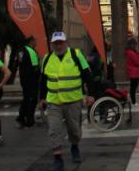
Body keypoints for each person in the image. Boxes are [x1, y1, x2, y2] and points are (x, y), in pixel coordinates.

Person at [39, 31, 95, 171]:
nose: (58, 46)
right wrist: (41, 98)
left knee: (74, 130)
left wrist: (91, 95)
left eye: (61, 43)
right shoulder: (47, 58)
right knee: (54, 129)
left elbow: (88, 75)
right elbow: (43, 81)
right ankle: (57, 158)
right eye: (55, 43)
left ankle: (74, 146)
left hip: (73, 101)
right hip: (54, 102)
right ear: (52, 44)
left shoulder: (76, 55)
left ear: (66, 42)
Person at [15, 36, 40, 129]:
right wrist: (38, 77)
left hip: (23, 78)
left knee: (26, 98)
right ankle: (28, 119)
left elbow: (17, 63)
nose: (36, 43)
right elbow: (35, 67)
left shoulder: (20, 51)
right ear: (31, 41)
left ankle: (21, 117)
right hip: (31, 79)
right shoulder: (31, 51)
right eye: (35, 41)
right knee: (32, 99)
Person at [125, 38, 139, 106]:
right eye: (135, 44)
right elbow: (138, 62)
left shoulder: (133, 52)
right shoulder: (131, 53)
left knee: (133, 88)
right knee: (133, 88)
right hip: (134, 73)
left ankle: (133, 101)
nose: (136, 45)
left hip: (135, 72)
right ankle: (133, 102)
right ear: (131, 44)